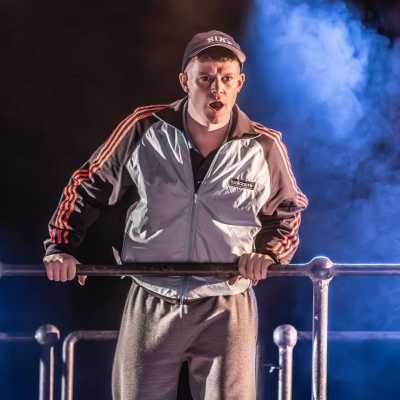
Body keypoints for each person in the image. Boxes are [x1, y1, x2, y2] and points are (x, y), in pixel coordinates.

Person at [43, 30, 308, 400]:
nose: (217, 88)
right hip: (153, 293)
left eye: (226, 78)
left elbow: (287, 211)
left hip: (226, 300)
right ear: (186, 81)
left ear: (239, 84)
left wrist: (268, 254)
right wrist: (61, 246)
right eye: (206, 78)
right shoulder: (145, 127)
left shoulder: (263, 145)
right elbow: (88, 184)